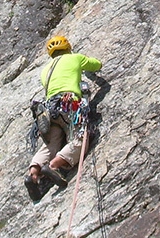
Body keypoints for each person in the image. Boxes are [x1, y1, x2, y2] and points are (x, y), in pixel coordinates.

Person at [25, 34, 102, 202]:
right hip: (69, 104)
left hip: (49, 110)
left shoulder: (45, 71)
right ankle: (54, 166)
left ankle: (34, 173)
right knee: (80, 139)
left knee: (51, 143)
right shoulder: (74, 58)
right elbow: (95, 65)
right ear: (68, 47)